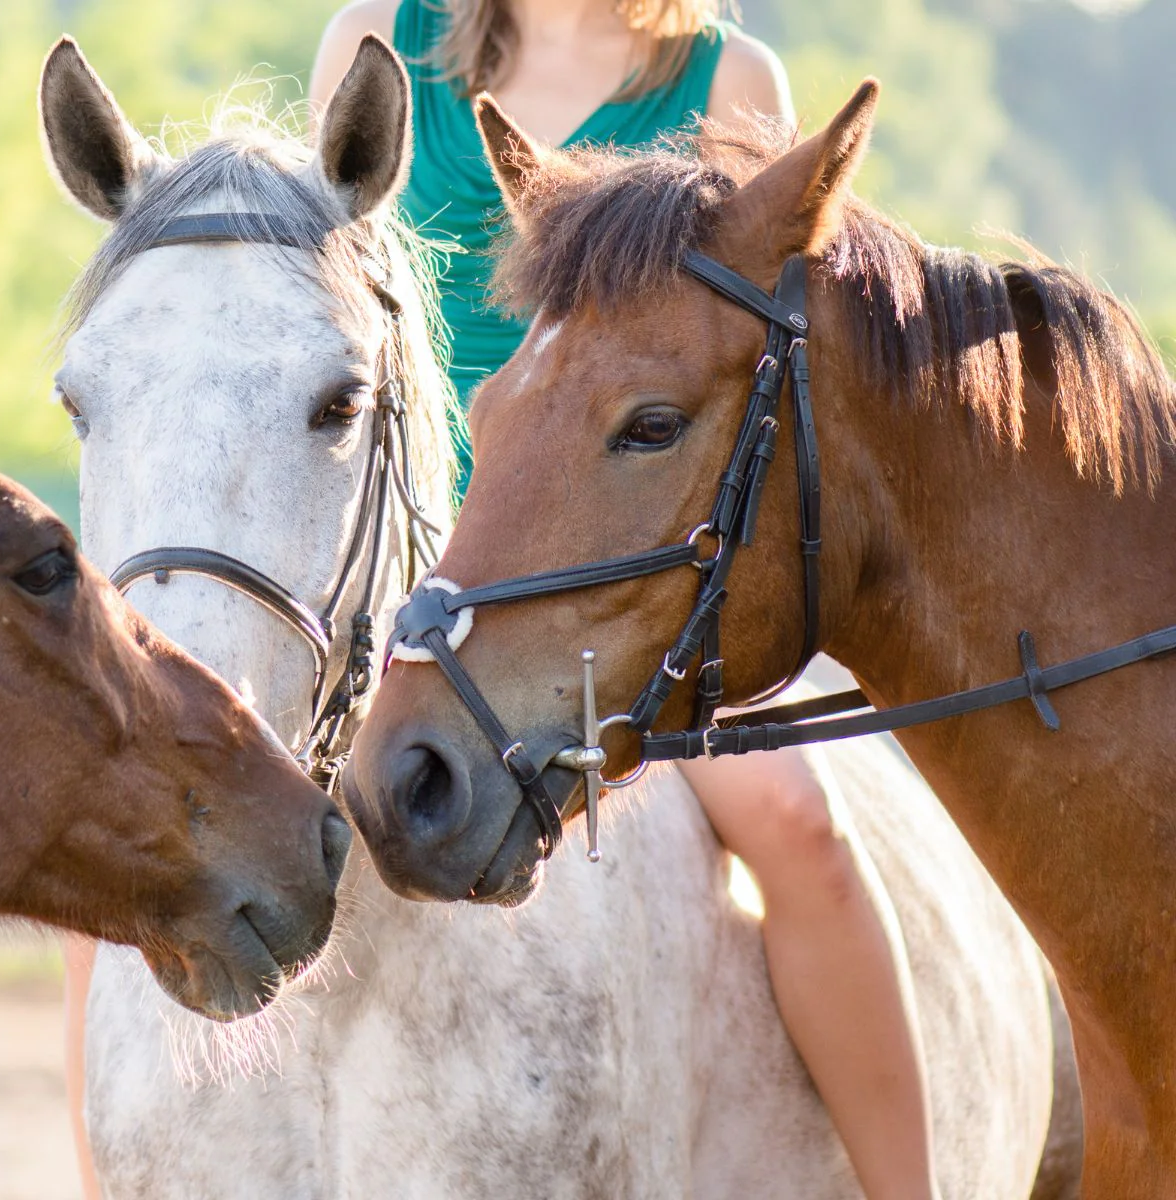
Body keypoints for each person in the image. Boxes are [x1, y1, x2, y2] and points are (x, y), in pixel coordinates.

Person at [65, 6, 938, 1198]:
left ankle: (911, 1186)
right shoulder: (381, 38)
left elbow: (741, 365)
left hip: (604, 574)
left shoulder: (727, 73)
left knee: (798, 829)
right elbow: (309, 302)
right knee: (113, 832)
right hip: (380, 537)